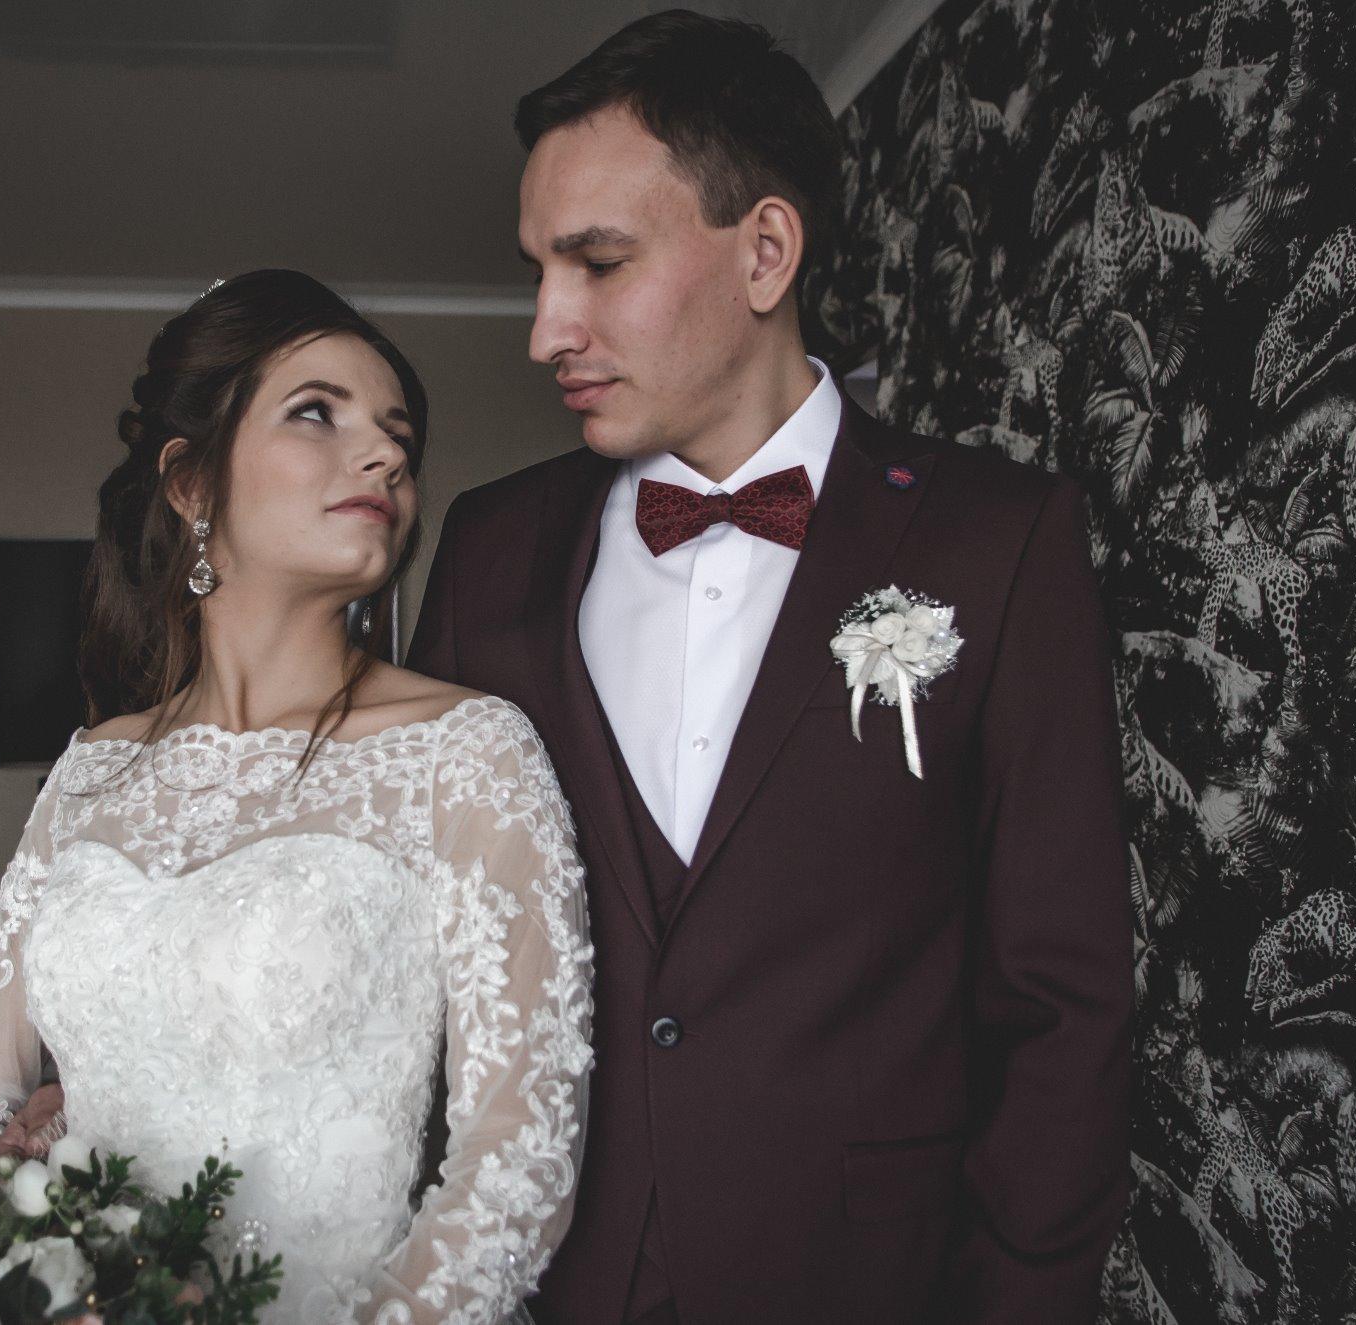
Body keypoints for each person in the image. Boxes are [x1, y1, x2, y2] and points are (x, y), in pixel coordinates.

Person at [403, 11, 1133, 1323]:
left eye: (597, 262)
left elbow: (1061, 1006)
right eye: (537, 271)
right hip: (545, 1282)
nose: (546, 329)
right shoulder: (489, 549)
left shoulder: (996, 542)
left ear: (765, 251)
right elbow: (407, 932)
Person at [0, 269, 595, 1325]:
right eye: (316, 412)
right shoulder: (91, 770)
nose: (383, 455)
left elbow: (515, 1158)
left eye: (399, 437)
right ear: (191, 483)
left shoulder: (467, 754)